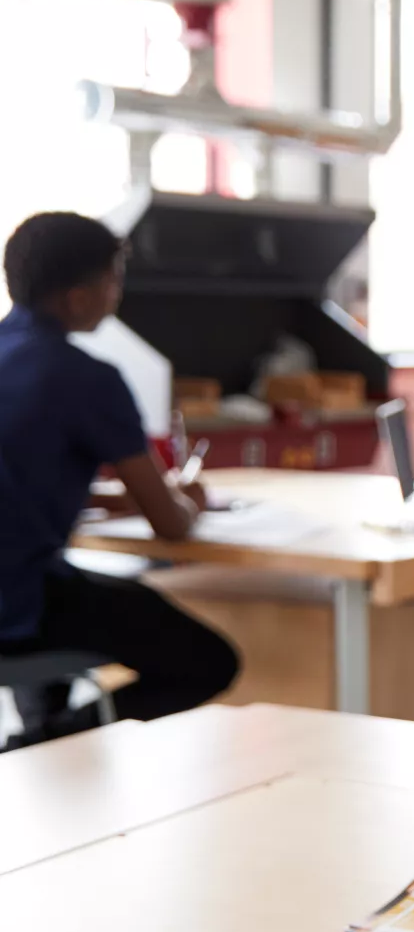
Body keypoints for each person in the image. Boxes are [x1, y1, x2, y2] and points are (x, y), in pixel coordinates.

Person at [0, 213, 239, 750]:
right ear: (79, 296)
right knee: (209, 660)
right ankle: (49, 742)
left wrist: (105, 497)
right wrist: (191, 502)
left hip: (17, 584)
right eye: (115, 280)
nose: (117, 295)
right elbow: (171, 525)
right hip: (17, 606)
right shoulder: (86, 378)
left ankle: (46, 738)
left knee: (80, 595)